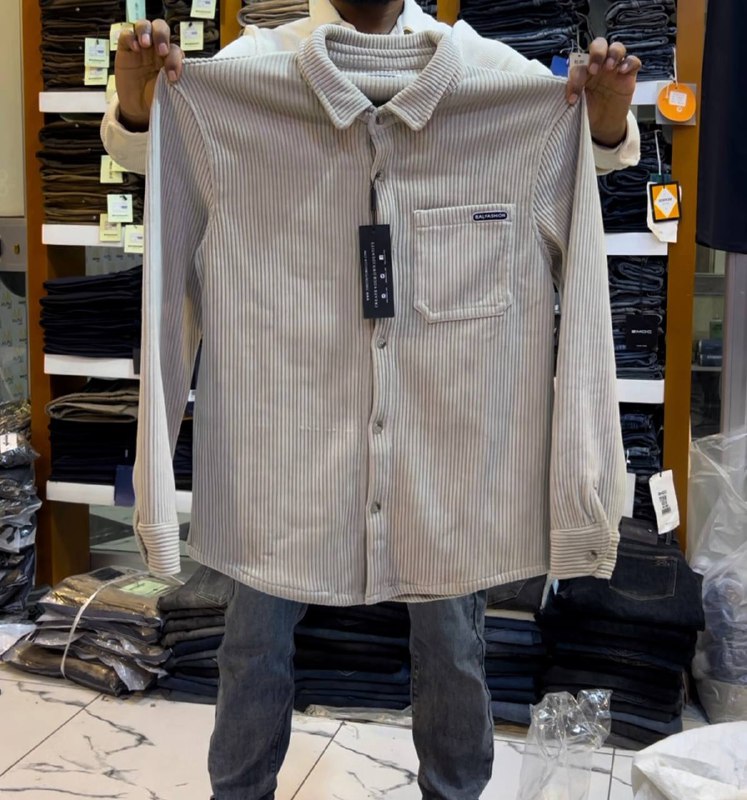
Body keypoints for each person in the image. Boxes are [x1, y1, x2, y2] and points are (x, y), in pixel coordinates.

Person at [102, 3, 642, 799]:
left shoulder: (489, 73)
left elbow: (575, 160)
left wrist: (603, 121)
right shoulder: (244, 73)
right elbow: (155, 159)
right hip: (285, 450)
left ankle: (453, 792)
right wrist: (139, 101)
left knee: (453, 645)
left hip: (441, 454)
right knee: (251, 641)